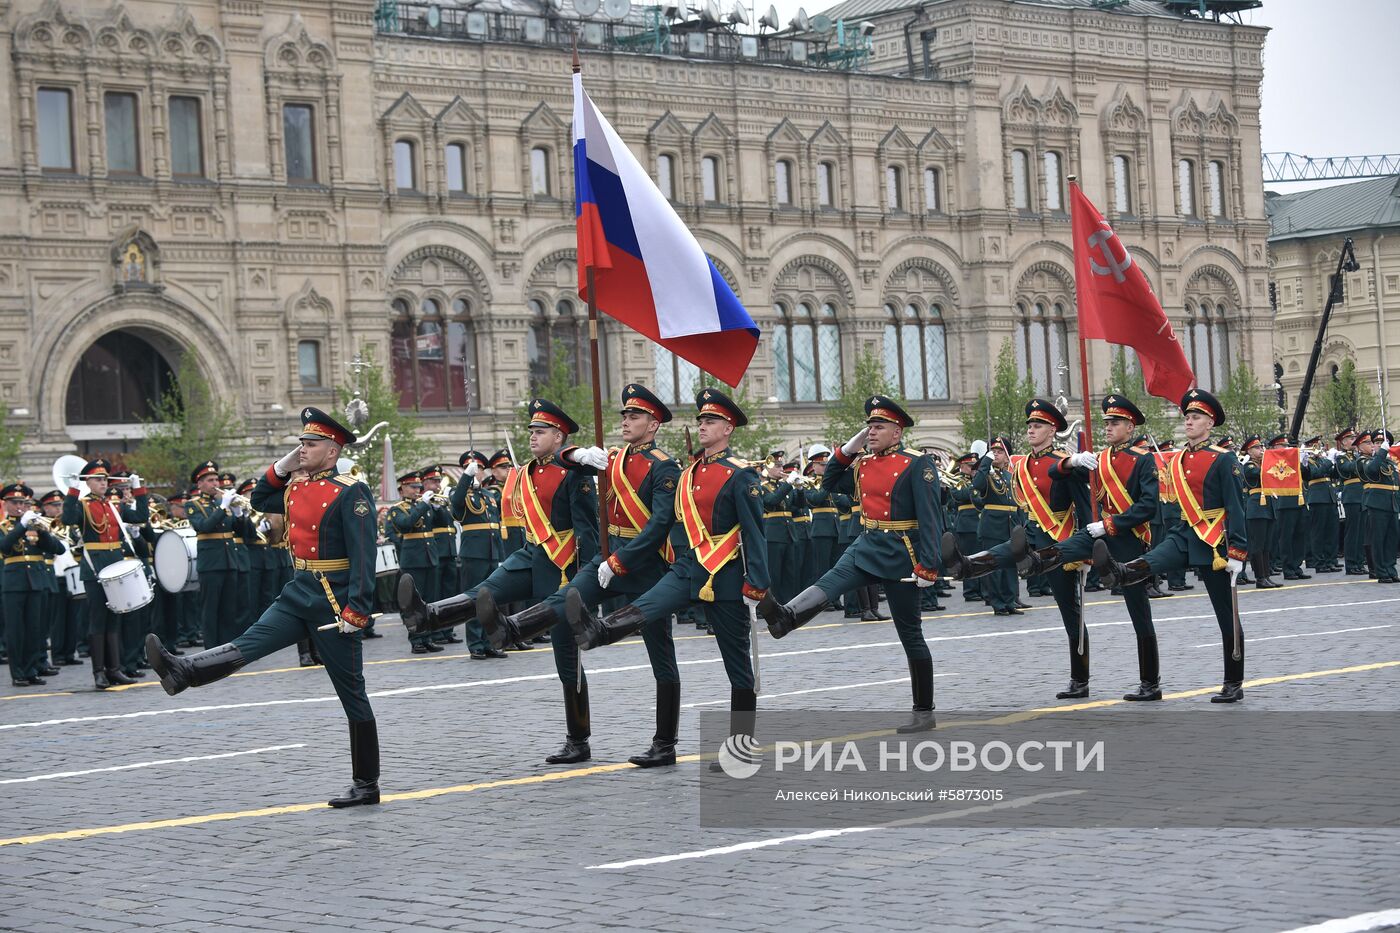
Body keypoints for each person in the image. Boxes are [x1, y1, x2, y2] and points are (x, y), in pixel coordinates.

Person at [147, 407, 382, 807]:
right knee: (250, 642)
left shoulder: (350, 491)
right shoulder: (297, 485)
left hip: (332, 602)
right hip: (299, 592)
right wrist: (287, 462)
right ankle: (184, 671)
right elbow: (259, 497)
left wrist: (356, 611)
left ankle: (366, 783)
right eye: (301, 443)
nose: (302, 449)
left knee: (352, 693)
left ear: (332, 450)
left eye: (310, 444)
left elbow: (364, 556)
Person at [397, 399, 598, 762]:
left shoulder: (575, 473)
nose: (533, 437)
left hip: (562, 565)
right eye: (532, 431)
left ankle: (578, 739)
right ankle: (427, 616)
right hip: (531, 553)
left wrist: (580, 580)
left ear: (559, 436)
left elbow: (588, 532)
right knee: (486, 591)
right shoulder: (525, 473)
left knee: (566, 659)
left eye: (540, 432)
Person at [496, 384, 684, 767]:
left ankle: (665, 743)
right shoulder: (611, 459)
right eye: (624, 416)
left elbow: (660, 523)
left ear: (653, 425)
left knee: (660, 655)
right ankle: (515, 628)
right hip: (607, 558)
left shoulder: (664, 466)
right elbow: (563, 458)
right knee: (567, 599)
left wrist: (620, 560)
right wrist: (578, 452)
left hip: (646, 565)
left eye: (634, 417)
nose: (626, 421)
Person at [581, 388, 767, 766]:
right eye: (700, 420)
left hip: (726, 573)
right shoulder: (689, 472)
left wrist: (757, 584)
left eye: (710, 421)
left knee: (737, 666)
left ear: (728, 428)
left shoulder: (740, 474)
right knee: (651, 602)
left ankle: (740, 749)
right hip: (689, 565)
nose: (702, 425)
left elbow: (755, 533)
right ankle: (601, 631)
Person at [759, 394, 943, 732]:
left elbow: (931, 517)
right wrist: (849, 447)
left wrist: (930, 565)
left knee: (911, 634)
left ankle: (923, 711)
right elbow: (829, 482)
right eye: (869, 426)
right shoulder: (864, 463)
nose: (872, 431)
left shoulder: (917, 464)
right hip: (866, 543)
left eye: (879, 426)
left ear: (897, 432)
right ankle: (786, 617)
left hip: (902, 552)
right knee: (830, 582)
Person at [1094, 388, 1248, 703]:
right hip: (1184, 532)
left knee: (1225, 615)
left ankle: (1233, 682)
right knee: (1148, 563)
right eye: (1187, 417)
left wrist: (1238, 552)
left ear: (1210, 423)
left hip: (1213, 540)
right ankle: (1120, 571)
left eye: (1196, 417)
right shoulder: (1175, 459)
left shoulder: (1223, 458)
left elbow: (1235, 506)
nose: (1189, 422)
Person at [1010, 395, 1164, 700]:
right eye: (1105, 422)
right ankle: (1035, 561)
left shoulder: (1143, 459)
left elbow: (1148, 506)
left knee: (1138, 612)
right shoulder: (1099, 459)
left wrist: (1109, 525)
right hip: (1097, 534)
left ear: (1130, 427)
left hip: (1127, 538)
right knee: (1064, 549)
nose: (1108, 427)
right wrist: (1074, 460)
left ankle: (1150, 683)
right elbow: (1055, 472)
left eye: (1115, 422)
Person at [943, 399, 1093, 698]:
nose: (1031, 430)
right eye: (1029, 426)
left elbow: (1085, 507)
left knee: (1071, 612)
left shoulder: (1066, 462)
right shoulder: (1022, 465)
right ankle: (966, 565)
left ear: (1052, 430)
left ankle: (1080, 679)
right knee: (1004, 551)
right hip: (1031, 535)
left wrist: (1087, 548)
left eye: (1037, 425)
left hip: (1058, 539)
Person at [61, 458, 150, 690]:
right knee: (98, 620)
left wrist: (138, 488)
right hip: (94, 566)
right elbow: (67, 519)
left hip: (115, 564)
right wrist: (72, 490)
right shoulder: (83, 505)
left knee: (114, 620)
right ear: (87, 482)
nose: (103, 483)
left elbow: (141, 516)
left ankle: (114, 670)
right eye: (98, 479)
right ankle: (99, 672)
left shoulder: (113, 505)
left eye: (105, 479)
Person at [2, 485, 66, 686]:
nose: (20, 506)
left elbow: (59, 549)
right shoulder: (4, 526)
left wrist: (41, 530)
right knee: (16, 630)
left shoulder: (36, 527)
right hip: (14, 583)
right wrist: (21, 526)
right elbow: (4, 547)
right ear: (6, 504)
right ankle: (18, 673)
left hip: (36, 583)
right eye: (15, 503)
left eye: (23, 503)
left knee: (34, 629)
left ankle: (31, 670)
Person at [450, 450, 506, 660]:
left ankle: (490, 641)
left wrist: (500, 554)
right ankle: (475, 643)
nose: (477, 472)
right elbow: (455, 506)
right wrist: (465, 478)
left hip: (492, 553)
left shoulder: (490, 496)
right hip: (474, 554)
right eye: (474, 469)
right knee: (474, 600)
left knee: (492, 600)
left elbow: (496, 525)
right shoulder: (461, 494)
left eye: (480, 468)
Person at [388, 470, 441, 654]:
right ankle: (416, 639)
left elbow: (442, 523)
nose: (416, 490)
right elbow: (405, 524)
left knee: (429, 601)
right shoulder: (397, 509)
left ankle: (428, 637)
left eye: (418, 487)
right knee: (413, 602)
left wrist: (437, 508)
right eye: (413, 487)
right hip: (413, 560)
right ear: (402, 489)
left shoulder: (423, 506)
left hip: (430, 557)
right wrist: (424, 505)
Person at [1266, 433, 1314, 580]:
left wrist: (1304, 464)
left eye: (1287, 446)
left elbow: (1306, 476)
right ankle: (1288, 568)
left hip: (1299, 500)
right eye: (1283, 446)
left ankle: (1297, 566)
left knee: (1300, 536)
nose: (1286, 448)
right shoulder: (1271, 460)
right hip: (1284, 502)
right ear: (1275, 447)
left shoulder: (1292, 460)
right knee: (1286, 537)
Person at [1238, 436, 1282, 589]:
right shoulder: (1248, 465)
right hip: (1256, 508)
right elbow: (1261, 474)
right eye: (1257, 448)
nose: (1261, 450)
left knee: (1266, 545)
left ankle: (1266, 575)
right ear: (1249, 451)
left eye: (1261, 447)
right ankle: (1260, 577)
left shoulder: (1264, 464)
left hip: (1268, 507)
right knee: (1258, 545)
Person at [1357, 430, 1398, 583]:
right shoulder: (1368, 460)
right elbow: (1371, 470)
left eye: (1383, 443)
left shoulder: (1390, 463)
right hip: (1377, 505)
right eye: (1377, 443)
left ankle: (1390, 569)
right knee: (1379, 539)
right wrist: (1381, 453)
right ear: (1373, 445)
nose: (1380, 445)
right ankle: (1381, 571)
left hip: (1392, 504)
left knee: (1391, 540)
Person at [1334, 429, 1368, 575]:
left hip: (1361, 495)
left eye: (1354, 438)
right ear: (1343, 442)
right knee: (1352, 532)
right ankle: (1351, 564)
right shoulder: (1342, 457)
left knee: (1361, 532)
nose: (1353, 441)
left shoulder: (1357, 456)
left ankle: (1360, 562)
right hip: (1352, 496)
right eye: (1350, 438)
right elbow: (1348, 469)